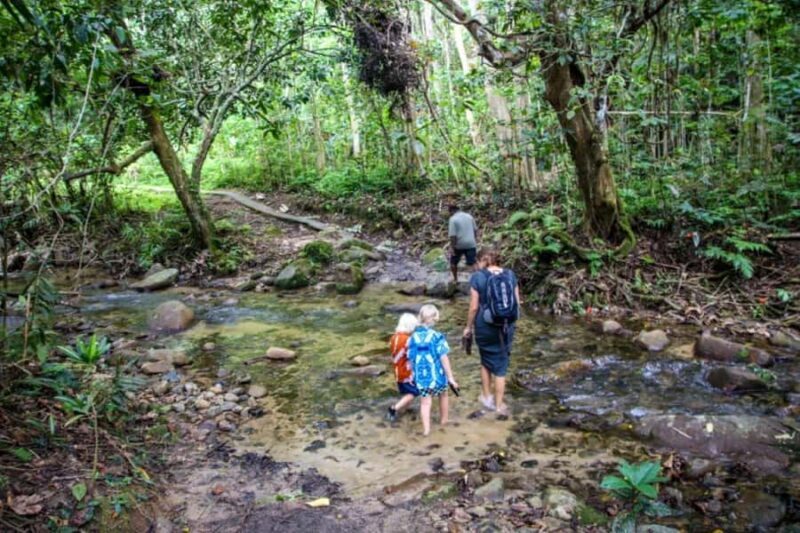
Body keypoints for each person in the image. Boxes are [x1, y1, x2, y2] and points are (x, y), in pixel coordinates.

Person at [463, 248, 521, 416]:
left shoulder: (478, 277)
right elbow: (516, 303)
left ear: (482, 260)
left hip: (485, 326)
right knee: (501, 366)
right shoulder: (510, 274)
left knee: (486, 360)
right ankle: (499, 405)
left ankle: (487, 397)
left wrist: (468, 327)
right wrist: (510, 324)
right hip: (506, 326)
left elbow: (474, 307)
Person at [407, 304, 459, 436]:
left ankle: (426, 430)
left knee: (425, 403)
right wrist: (451, 378)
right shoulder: (437, 336)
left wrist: (412, 375)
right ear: (435, 318)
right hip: (437, 375)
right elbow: (444, 358)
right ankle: (444, 421)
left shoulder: (413, 337)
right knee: (443, 395)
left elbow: (411, 358)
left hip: (422, 376)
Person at [386, 313, 420, 422]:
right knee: (414, 392)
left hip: (397, 370)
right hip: (406, 372)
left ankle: (404, 409)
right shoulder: (408, 340)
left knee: (407, 391)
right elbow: (412, 355)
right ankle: (394, 408)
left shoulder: (393, 337)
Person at [448, 203, 478, 283]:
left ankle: (455, 279)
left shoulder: (453, 219)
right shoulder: (469, 216)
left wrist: (452, 247)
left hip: (459, 244)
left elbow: (453, 236)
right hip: (471, 243)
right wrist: (474, 240)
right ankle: (478, 279)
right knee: (473, 263)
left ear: (451, 211)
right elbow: (475, 230)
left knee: (453, 262)